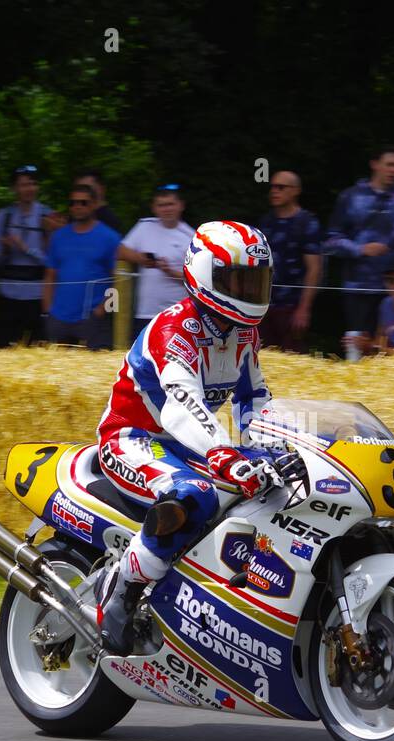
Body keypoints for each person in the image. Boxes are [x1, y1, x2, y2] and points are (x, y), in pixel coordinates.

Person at [92, 220, 277, 653]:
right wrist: (224, 453)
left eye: (257, 280)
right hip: (132, 437)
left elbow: (254, 398)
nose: (250, 291)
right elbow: (181, 404)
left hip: (182, 445)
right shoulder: (175, 329)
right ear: (205, 274)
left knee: (256, 492)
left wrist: (276, 446)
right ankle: (120, 595)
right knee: (195, 493)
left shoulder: (243, 333)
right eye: (238, 280)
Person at [324, 145, 394, 360]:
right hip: (358, 288)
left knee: (392, 347)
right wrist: (359, 249)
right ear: (375, 164)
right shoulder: (351, 197)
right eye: (390, 164)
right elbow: (330, 241)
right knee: (356, 349)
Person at [40, 183, 121, 348]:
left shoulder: (110, 237)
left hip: (92, 319)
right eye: (73, 203)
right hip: (58, 317)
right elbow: (50, 275)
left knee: (92, 371)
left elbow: (119, 281)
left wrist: (101, 311)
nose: (77, 207)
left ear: (93, 205)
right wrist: (47, 310)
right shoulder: (59, 236)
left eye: (83, 202)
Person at [0, 164, 59, 347]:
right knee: (5, 348)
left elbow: (53, 261)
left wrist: (26, 249)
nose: (29, 189)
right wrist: (5, 250)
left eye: (33, 184)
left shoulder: (48, 215)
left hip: (37, 296)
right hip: (8, 294)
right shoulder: (2, 216)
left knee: (37, 350)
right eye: (23, 185)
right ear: (14, 188)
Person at [258, 170, 323, 352]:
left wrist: (304, 308)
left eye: (281, 187)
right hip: (263, 306)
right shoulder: (266, 222)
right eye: (272, 187)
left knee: (293, 359)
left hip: (292, 307)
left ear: (295, 191)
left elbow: (314, 269)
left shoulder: (307, 223)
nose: (274, 191)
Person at [116, 184, 196, 329]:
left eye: (170, 204)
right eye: (161, 205)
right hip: (145, 313)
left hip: (177, 314)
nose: (166, 209)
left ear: (181, 206)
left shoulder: (192, 236)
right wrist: (140, 258)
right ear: (154, 208)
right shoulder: (144, 226)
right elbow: (120, 251)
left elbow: (198, 280)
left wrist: (170, 271)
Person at [74, 169, 123, 234]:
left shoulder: (110, 222)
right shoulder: (76, 217)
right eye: (79, 189)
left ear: (102, 189)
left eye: (87, 188)